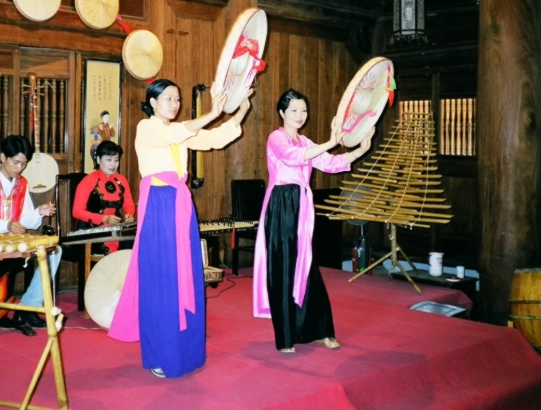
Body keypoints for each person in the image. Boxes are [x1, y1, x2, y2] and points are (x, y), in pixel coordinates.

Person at [109, 79, 252, 379]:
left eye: (177, 99)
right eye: (168, 99)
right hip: (159, 206)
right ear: (152, 102)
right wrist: (213, 112)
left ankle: (186, 352)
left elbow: (212, 139)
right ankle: (162, 354)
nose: (174, 104)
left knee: (186, 275)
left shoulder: (180, 132)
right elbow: (176, 133)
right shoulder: (147, 128)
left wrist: (240, 111)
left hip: (181, 205)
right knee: (162, 279)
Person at [252, 89, 373, 353]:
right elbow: (292, 158)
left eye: (303, 110)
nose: (299, 115)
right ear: (282, 112)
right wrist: (331, 141)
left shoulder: (306, 142)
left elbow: (331, 162)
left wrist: (360, 149)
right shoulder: (276, 137)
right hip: (282, 205)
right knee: (284, 267)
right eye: (294, 110)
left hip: (302, 206)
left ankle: (321, 330)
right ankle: (286, 337)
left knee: (307, 267)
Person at [0, 135, 62, 328]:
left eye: (24, 164)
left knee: (55, 250)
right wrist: (7, 225)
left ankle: (28, 306)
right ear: (3, 157)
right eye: (16, 162)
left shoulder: (22, 183)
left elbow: (25, 220)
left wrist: (39, 212)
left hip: (12, 241)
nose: (20, 168)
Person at [72, 139, 136, 254]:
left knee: (134, 241)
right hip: (90, 229)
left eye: (116, 160)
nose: (113, 164)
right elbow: (76, 211)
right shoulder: (88, 181)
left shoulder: (121, 180)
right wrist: (104, 219)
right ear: (98, 159)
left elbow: (130, 205)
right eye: (108, 159)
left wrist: (129, 215)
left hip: (115, 228)